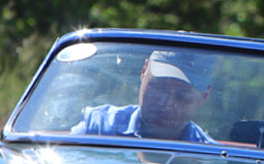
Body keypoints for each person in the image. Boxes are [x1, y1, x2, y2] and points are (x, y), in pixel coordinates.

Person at [71, 49, 216, 142]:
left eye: (182, 97)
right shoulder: (97, 128)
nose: (165, 104)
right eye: (159, 88)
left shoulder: (209, 157)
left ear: (204, 97)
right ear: (144, 71)